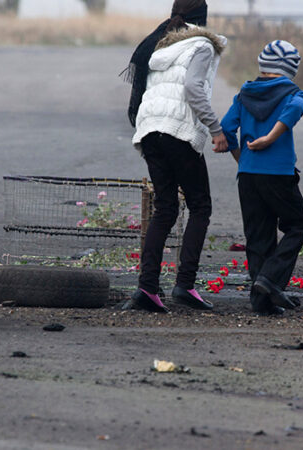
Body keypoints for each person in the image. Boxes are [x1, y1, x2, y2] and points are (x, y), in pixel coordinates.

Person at [124, 0, 229, 313]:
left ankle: (147, 289)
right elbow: (194, 89)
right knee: (200, 205)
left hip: (149, 130)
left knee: (166, 208)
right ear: (203, 18)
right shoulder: (201, 46)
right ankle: (184, 285)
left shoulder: (161, 47)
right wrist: (216, 129)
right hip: (176, 131)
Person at [217, 40, 303, 315]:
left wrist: (242, 159)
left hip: (248, 175)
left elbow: (225, 128)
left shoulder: (244, 94)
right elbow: (295, 109)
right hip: (278, 174)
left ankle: (262, 304)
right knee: (298, 224)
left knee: (258, 235)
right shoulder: (293, 93)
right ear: (289, 69)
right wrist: (271, 138)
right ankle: (270, 279)